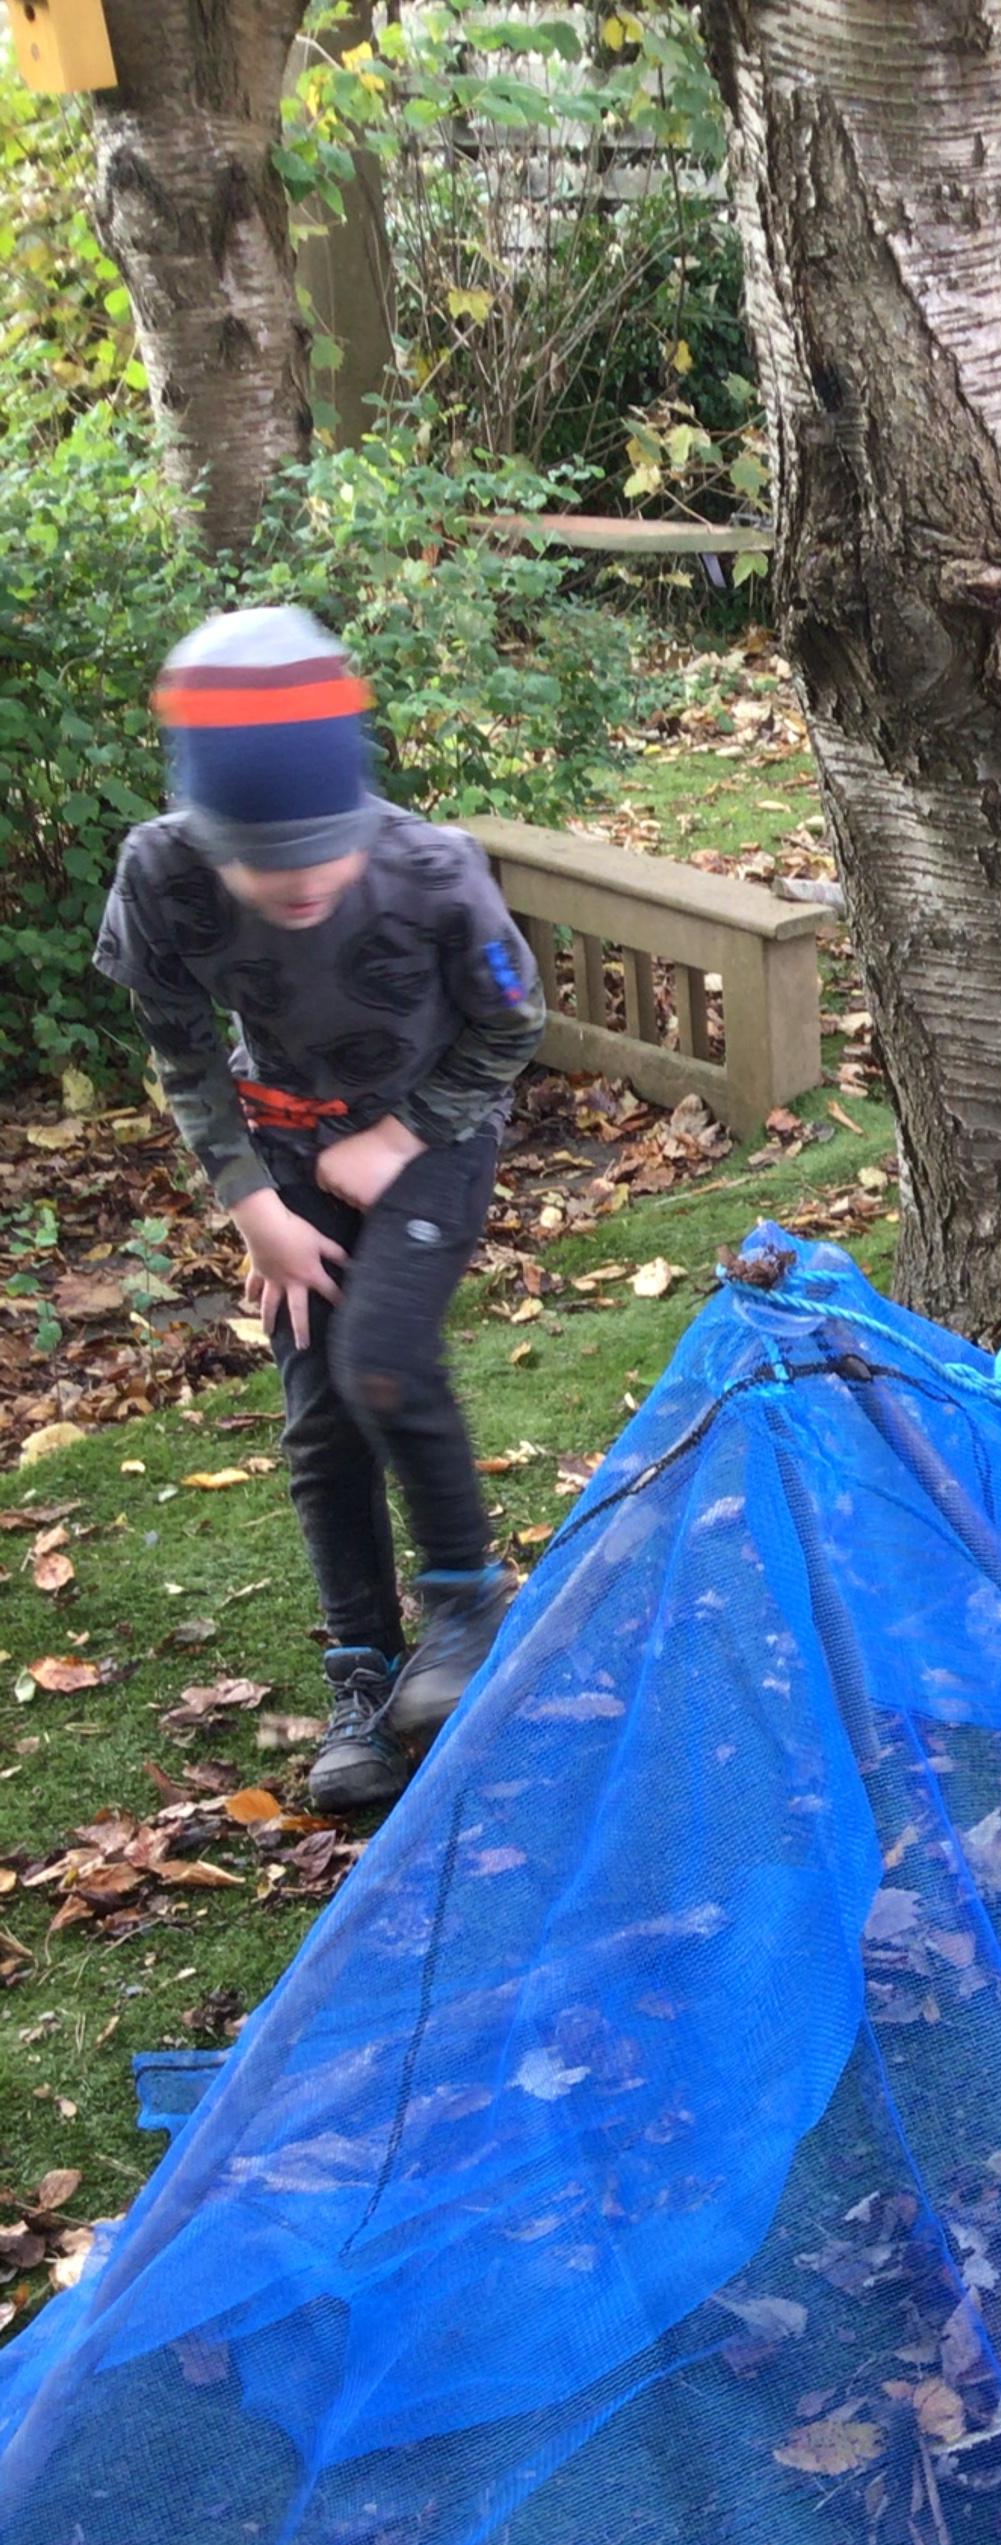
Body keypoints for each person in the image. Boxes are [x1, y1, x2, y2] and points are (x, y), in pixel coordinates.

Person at [95, 607, 545, 1819]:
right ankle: (363, 1671)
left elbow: (512, 1024)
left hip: (433, 1129)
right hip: (285, 1142)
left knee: (381, 1355)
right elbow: (183, 1051)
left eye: (319, 851)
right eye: (261, 859)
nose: (295, 881)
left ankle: (468, 1603)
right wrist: (254, 1207)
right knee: (318, 1408)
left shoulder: (433, 871)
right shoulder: (161, 874)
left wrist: (400, 1136)